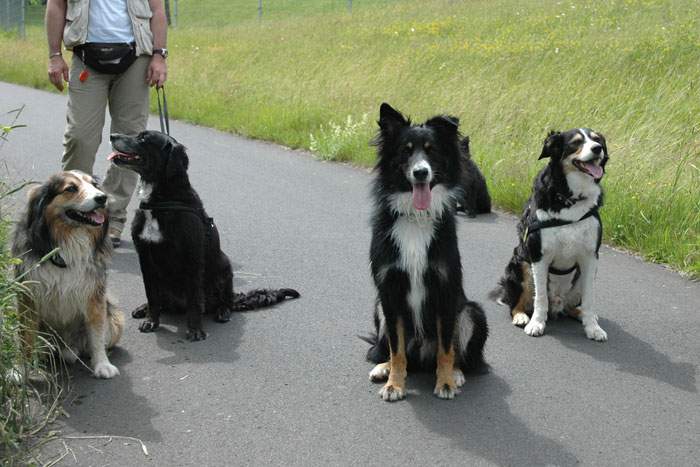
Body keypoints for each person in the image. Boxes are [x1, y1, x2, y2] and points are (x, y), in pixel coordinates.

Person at [45, 0, 168, 247]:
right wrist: (55, 56)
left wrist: (159, 55)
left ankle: (110, 219)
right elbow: (56, 6)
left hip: (136, 58)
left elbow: (157, 10)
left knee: (130, 145)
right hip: (86, 56)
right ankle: (74, 213)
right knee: (80, 138)